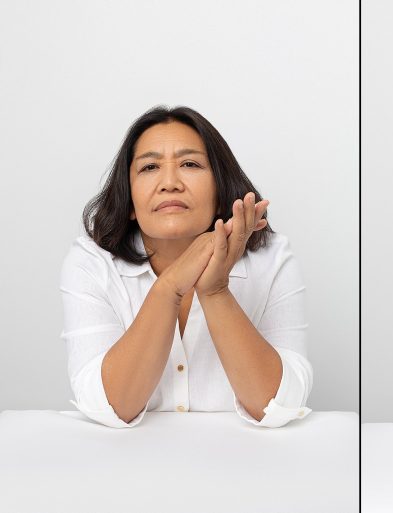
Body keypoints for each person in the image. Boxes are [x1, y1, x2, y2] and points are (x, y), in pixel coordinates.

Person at [60, 106, 312, 428]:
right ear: (130, 202)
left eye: (190, 164)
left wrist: (215, 291)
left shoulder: (272, 259)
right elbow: (110, 406)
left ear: (220, 192)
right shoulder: (91, 262)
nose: (169, 182)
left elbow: (279, 406)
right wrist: (171, 285)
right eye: (149, 167)